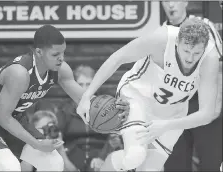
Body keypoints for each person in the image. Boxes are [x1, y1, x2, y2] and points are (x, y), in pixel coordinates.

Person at [0, 24, 130, 171]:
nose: (61, 58)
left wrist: (115, 110)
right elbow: (2, 118)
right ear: (39, 52)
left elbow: (87, 101)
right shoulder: (19, 74)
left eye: (63, 52)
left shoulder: (61, 69)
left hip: (13, 116)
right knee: (8, 166)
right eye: (55, 54)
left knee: (53, 162)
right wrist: (36, 143)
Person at [77, 18, 220, 171]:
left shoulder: (210, 58)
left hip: (172, 114)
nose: (190, 58)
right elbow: (118, 58)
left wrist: (166, 125)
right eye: (186, 51)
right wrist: (87, 96)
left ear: (204, 48)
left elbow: (207, 113)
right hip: (138, 97)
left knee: (149, 169)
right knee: (134, 157)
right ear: (177, 41)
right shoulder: (160, 39)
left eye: (196, 53)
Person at [161, 1, 222, 171]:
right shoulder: (160, 32)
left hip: (203, 101)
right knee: (175, 166)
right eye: (166, 0)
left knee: (211, 165)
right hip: (175, 107)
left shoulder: (204, 26)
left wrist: (215, 105)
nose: (171, 5)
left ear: (185, 2)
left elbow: (220, 66)